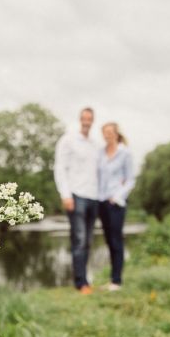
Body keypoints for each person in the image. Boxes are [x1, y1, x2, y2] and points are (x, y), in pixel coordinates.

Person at [54, 107, 99, 294]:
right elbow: (59, 168)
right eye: (84, 118)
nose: (87, 121)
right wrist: (65, 194)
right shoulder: (68, 140)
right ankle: (81, 283)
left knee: (88, 240)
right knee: (79, 239)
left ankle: (85, 279)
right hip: (76, 195)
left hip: (94, 197)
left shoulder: (95, 144)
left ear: (93, 120)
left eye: (90, 118)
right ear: (80, 119)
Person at [97, 122, 135, 291]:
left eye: (110, 132)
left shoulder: (124, 153)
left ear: (116, 134)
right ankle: (113, 279)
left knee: (116, 240)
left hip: (116, 203)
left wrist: (117, 196)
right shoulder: (100, 154)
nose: (107, 135)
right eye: (104, 133)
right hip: (102, 201)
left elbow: (130, 180)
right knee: (108, 240)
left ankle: (117, 281)